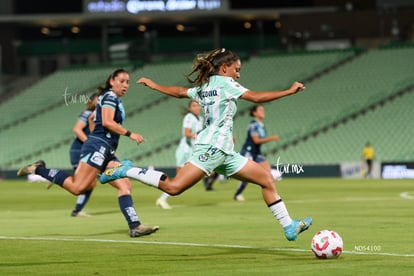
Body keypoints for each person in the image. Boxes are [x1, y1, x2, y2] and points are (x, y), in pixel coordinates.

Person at [99, 49, 312, 241]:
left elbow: (181, 91)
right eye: (236, 69)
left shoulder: (204, 87)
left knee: (266, 179)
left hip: (226, 153)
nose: (238, 74)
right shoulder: (226, 84)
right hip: (212, 149)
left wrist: (155, 85)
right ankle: (127, 169)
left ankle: (289, 226)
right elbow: (255, 97)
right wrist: (288, 91)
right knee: (173, 188)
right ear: (224, 67)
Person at [17, 69, 159, 238]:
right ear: (112, 81)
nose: (125, 85)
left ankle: (135, 226)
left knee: (124, 185)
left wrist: (99, 138)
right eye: (121, 81)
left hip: (106, 150)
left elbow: (93, 119)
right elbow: (106, 122)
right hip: (98, 148)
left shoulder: (113, 99)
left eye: (128, 82)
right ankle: (38, 169)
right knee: (78, 188)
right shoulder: (110, 97)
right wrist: (129, 134)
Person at [47, 93, 98, 217]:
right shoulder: (87, 114)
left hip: (87, 150)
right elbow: (77, 129)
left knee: (90, 182)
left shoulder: (100, 115)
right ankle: (56, 175)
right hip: (79, 150)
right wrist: (90, 143)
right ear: (92, 101)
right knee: (86, 181)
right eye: (98, 98)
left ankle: (77, 210)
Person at [156, 100, 203, 209]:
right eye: (194, 105)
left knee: (182, 178)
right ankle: (162, 198)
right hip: (184, 150)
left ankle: (163, 198)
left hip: (192, 150)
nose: (196, 107)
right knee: (179, 177)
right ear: (190, 108)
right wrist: (196, 137)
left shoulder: (201, 119)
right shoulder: (188, 117)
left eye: (198, 105)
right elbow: (186, 133)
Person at [233, 104, 282, 202]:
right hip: (248, 151)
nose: (262, 112)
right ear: (254, 113)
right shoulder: (253, 125)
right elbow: (256, 140)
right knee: (246, 176)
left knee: (268, 174)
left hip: (256, 152)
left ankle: (273, 195)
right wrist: (271, 138)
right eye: (260, 110)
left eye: (263, 110)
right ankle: (237, 194)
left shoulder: (261, 125)